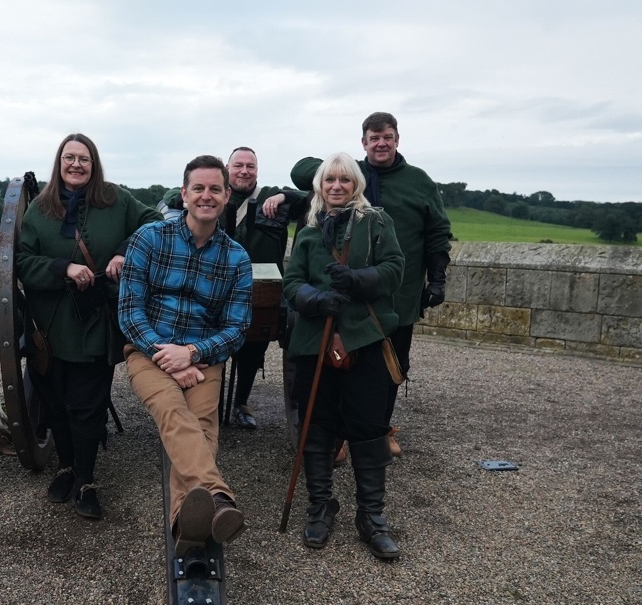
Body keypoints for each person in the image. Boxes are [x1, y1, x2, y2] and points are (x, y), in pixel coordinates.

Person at [17, 133, 163, 519]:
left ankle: (85, 479)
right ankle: (65, 467)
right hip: (49, 325)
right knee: (54, 401)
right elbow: (21, 261)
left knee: (87, 406)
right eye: (69, 158)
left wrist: (124, 252)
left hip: (95, 322)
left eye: (84, 159)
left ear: (94, 164)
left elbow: (154, 223)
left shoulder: (116, 199)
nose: (76, 165)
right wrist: (62, 267)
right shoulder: (40, 208)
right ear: (59, 162)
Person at [291, 112, 452, 456]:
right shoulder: (352, 175)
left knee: (391, 365)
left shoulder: (419, 180)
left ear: (397, 140)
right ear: (363, 143)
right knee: (341, 362)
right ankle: (337, 436)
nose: (381, 144)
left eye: (387, 137)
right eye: (374, 138)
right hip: (348, 295)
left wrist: (437, 278)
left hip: (400, 291)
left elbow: (438, 230)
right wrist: (340, 168)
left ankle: (379, 429)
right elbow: (300, 171)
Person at [119, 154, 253, 554]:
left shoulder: (236, 258)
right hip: (149, 351)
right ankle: (219, 497)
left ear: (226, 196)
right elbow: (129, 311)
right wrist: (169, 358)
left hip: (203, 356)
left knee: (204, 426)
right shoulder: (149, 239)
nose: (206, 196)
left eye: (215, 189)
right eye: (199, 188)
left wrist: (192, 352)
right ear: (184, 194)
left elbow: (237, 328)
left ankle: (186, 524)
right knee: (173, 412)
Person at [283, 152, 404, 557]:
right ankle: (320, 505)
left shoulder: (377, 222)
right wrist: (316, 300)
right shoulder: (308, 230)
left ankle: (371, 516)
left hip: (364, 340)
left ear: (356, 184)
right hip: (314, 342)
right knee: (316, 426)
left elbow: (395, 269)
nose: (336, 186)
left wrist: (357, 279)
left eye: (345, 179)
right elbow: (292, 283)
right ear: (319, 186)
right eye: (329, 180)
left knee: (369, 428)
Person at [165, 147, 303, 430]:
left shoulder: (271, 195)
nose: (244, 171)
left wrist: (284, 196)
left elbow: (310, 198)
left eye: (250, 166)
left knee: (252, 351)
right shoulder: (214, 194)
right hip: (211, 287)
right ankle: (208, 404)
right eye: (238, 165)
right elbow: (171, 197)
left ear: (257, 171)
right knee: (208, 345)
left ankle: (241, 402)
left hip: (259, 292)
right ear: (228, 170)